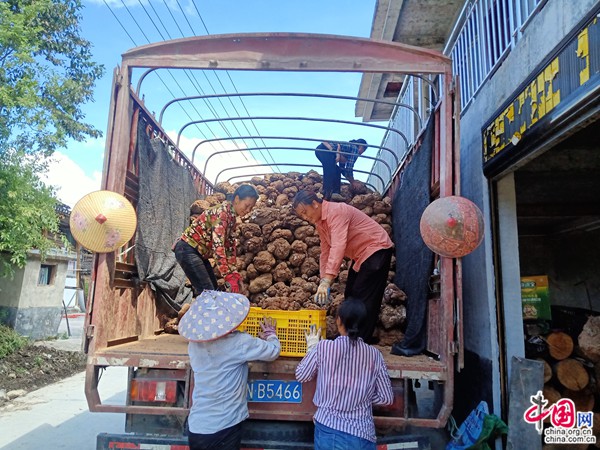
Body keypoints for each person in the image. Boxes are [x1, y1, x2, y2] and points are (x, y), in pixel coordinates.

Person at [178, 290, 281, 450]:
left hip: (198, 427)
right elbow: (273, 351)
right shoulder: (238, 342)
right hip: (225, 426)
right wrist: (271, 335)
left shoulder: (194, 345)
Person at [292, 189, 393, 342]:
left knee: (363, 297)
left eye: (305, 212)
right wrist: (323, 280)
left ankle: (359, 341)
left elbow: (338, 245)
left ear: (314, 204)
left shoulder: (336, 211)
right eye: (301, 216)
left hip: (376, 249)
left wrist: (328, 279)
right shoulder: (321, 224)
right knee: (350, 294)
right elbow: (325, 252)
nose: (305, 218)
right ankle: (349, 337)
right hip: (361, 255)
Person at [295, 298, 394, 449]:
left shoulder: (324, 348)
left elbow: (302, 375)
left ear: (338, 321)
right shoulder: (374, 355)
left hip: (330, 431)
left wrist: (311, 349)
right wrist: (362, 394)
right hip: (363, 435)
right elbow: (386, 398)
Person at [173, 184, 259, 296]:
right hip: (187, 249)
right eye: (247, 205)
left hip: (198, 254)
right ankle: (200, 312)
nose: (248, 210)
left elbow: (229, 249)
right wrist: (228, 276)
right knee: (209, 294)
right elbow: (218, 248)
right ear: (237, 199)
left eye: (251, 208)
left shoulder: (232, 219)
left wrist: (234, 274)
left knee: (214, 292)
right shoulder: (222, 213)